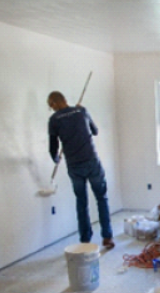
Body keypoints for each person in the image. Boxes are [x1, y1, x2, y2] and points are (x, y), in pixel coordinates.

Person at [47, 91, 114, 249]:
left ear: (54, 103)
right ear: (65, 99)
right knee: (102, 199)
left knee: (81, 202)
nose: (51, 109)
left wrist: (56, 159)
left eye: (51, 106)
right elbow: (95, 131)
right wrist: (81, 115)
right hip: (92, 161)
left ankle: (85, 240)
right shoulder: (81, 111)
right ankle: (107, 238)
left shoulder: (54, 120)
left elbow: (52, 149)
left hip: (74, 166)